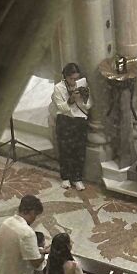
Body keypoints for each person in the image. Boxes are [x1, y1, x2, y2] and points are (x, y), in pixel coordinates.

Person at [49, 62, 92, 191]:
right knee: (65, 150)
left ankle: (77, 178)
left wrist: (84, 98)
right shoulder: (58, 88)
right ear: (65, 77)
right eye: (71, 79)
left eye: (76, 78)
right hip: (65, 120)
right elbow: (62, 108)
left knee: (79, 151)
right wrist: (71, 99)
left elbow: (89, 105)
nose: (74, 81)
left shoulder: (83, 84)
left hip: (80, 120)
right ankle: (65, 177)